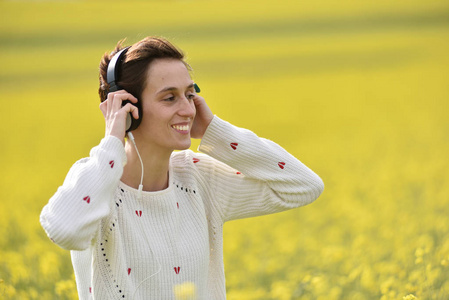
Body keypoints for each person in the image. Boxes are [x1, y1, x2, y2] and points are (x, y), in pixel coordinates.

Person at [40, 36, 324, 300]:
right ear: (128, 108)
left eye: (190, 94)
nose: (189, 110)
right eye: (169, 97)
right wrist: (112, 140)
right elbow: (65, 230)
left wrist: (216, 130)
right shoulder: (95, 180)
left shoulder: (198, 178)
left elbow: (304, 186)